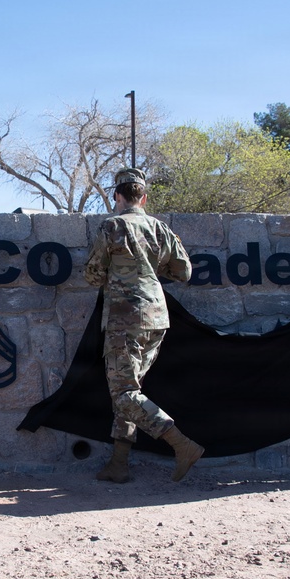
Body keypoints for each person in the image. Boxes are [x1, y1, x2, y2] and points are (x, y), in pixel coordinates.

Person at [83, 167, 205, 483]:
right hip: (156, 318)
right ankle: (119, 464)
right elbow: (184, 273)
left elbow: (93, 274)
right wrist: (152, 268)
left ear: (118, 196)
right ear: (144, 197)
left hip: (125, 317)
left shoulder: (111, 227)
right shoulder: (161, 229)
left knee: (124, 393)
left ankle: (183, 445)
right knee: (129, 391)